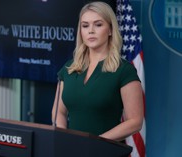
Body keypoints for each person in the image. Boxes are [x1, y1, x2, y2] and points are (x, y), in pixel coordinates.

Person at [51, 1, 143, 142]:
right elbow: (59, 112)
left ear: (111, 30)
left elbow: (135, 121)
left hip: (106, 151)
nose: (91, 31)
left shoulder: (124, 70)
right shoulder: (69, 68)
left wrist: (94, 142)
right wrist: (64, 138)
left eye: (98, 24)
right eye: (85, 25)